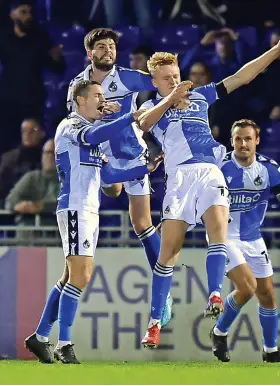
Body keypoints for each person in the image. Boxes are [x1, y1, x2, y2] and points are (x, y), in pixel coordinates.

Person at [24, 79, 186, 364]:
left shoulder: (93, 133)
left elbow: (107, 178)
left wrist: (143, 168)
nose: (102, 99)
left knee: (70, 276)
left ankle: (40, 337)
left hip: (88, 209)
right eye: (97, 95)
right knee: (82, 275)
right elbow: (94, 137)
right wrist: (130, 116)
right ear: (80, 100)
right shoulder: (71, 127)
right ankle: (65, 344)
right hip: (74, 207)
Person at [138, 37, 280, 348]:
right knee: (167, 255)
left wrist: (276, 50)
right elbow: (144, 124)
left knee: (218, 233)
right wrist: (171, 97)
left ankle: (215, 294)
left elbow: (242, 76)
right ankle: (154, 324)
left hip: (208, 171)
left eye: (177, 75)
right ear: (155, 81)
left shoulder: (201, 96)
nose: (175, 81)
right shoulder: (150, 105)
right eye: (167, 78)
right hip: (178, 179)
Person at [67, 28, 173, 327]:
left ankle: (162, 292)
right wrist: (101, 111)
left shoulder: (128, 77)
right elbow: (74, 119)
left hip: (132, 154)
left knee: (142, 223)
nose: (108, 51)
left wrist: (170, 93)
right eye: (101, 47)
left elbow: (159, 84)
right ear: (90, 53)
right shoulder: (78, 85)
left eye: (112, 46)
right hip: (99, 156)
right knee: (112, 189)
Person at [210, 119, 280, 363]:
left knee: (268, 295)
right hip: (224, 238)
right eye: (238, 139)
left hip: (253, 238)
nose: (243, 144)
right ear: (231, 142)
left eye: (248, 139)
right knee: (247, 287)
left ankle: (271, 351)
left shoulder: (269, 170)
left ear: (257, 141)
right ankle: (219, 331)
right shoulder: (219, 167)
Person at [0, 1, 64, 153]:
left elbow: (57, 69)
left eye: (30, 12)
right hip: (8, 99)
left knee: (33, 142)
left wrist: (57, 59)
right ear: (12, 14)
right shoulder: (4, 37)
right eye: (23, 12)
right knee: (6, 142)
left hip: (33, 99)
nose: (28, 16)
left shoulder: (40, 37)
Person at [5, 139, 59, 226]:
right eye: (46, 153)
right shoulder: (31, 177)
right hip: (27, 235)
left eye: (54, 153)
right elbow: (10, 201)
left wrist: (41, 206)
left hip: (57, 235)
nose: (50, 157)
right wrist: (19, 206)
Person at [0, 118, 45, 208]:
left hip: (39, 207)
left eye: (32, 131)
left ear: (42, 133)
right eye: (24, 131)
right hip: (10, 207)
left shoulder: (48, 156)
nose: (27, 134)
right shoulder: (9, 158)